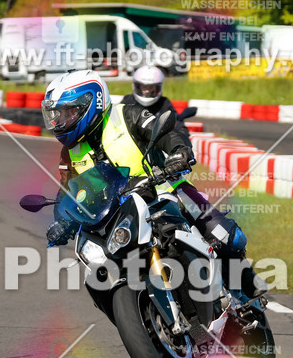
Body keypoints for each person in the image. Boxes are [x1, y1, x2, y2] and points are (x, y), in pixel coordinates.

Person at [43, 69, 264, 299]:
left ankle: (247, 283)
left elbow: (165, 133)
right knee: (98, 273)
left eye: (68, 112)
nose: (61, 121)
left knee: (223, 234)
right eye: (57, 114)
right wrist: (61, 220)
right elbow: (68, 190)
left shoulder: (126, 115)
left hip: (165, 190)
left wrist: (179, 152)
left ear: (92, 102)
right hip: (119, 216)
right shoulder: (70, 153)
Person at [121, 65, 189, 137]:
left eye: (150, 87)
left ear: (157, 88)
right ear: (136, 86)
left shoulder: (164, 104)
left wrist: (182, 135)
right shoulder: (127, 102)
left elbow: (176, 125)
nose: (147, 91)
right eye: (144, 87)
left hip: (155, 144)